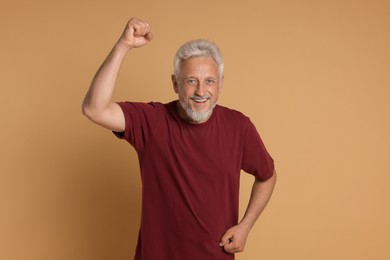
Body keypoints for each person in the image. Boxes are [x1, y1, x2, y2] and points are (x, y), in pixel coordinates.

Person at [82, 17, 277, 260]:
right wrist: (123, 46)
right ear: (175, 83)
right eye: (191, 81)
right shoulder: (152, 121)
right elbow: (94, 108)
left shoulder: (239, 126)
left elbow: (267, 176)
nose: (200, 92)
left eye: (209, 81)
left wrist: (245, 226)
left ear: (220, 85)